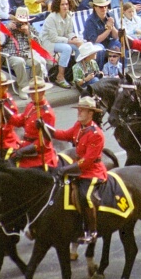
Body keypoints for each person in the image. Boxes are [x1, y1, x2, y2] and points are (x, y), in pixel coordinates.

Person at [52, 96, 107, 244]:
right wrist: (46, 129)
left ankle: (93, 231)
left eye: (82, 110)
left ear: (90, 113)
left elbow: (88, 161)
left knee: (85, 196)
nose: (79, 112)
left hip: (93, 171)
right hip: (80, 169)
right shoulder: (79, 126)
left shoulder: (96, 134)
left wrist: (66, 169)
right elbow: (65, 134)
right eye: (79, 109)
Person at [8, 76, 58, 169]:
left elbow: (44, 141)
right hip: (25, 145)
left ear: (43, 92)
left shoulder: (47, 113)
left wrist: (23, 151)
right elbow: (19, 122)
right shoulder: (30, 106)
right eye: (31, 93)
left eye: (35, 93)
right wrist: (5, 111)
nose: (32, 95)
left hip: (38, 153)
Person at [40, 0, 82, 89]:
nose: (65, 6)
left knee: (79, 46)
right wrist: (70, 41)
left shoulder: (69, 15)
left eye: (66, 4)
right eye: (62, 4)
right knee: (67, 48)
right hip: (48, 42)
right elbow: (53, 38)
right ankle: (60, 77)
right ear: (58, 6)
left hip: (61, 40)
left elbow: (69, 32)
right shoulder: (52, 18)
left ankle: (78, 74)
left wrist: (75, 39)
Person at [83, 0, 120, 69]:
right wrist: (108, 29)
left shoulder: (110, 15)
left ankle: (120, 68)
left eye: (106, 6)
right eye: (101, 7)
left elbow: (116, 36)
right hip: (95, 44)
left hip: (109, 42)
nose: (104, 8)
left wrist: (112, 26)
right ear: (95, 7)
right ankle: (99, 71)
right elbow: (95, 40)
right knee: (100, 48)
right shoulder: (90, 21)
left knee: (119, 43)